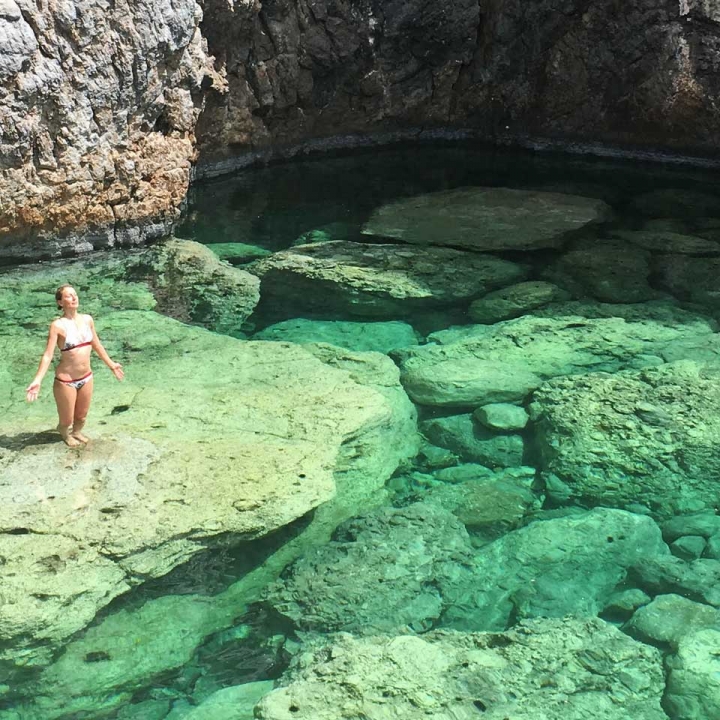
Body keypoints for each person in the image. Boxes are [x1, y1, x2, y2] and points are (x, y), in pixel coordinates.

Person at [26, 284, 125, 447]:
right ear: (60, 302)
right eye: (68, 296)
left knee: (82, 417)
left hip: (87, 377)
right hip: (66, 381)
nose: (74, 297)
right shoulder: (57, 325)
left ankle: (77, 432)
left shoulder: (88, 320)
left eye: (75, 294)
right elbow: (48, 355)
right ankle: (64, 433)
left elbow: (97, 345)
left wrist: (111, 365)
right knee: (67, 420)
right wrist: (37, 380)